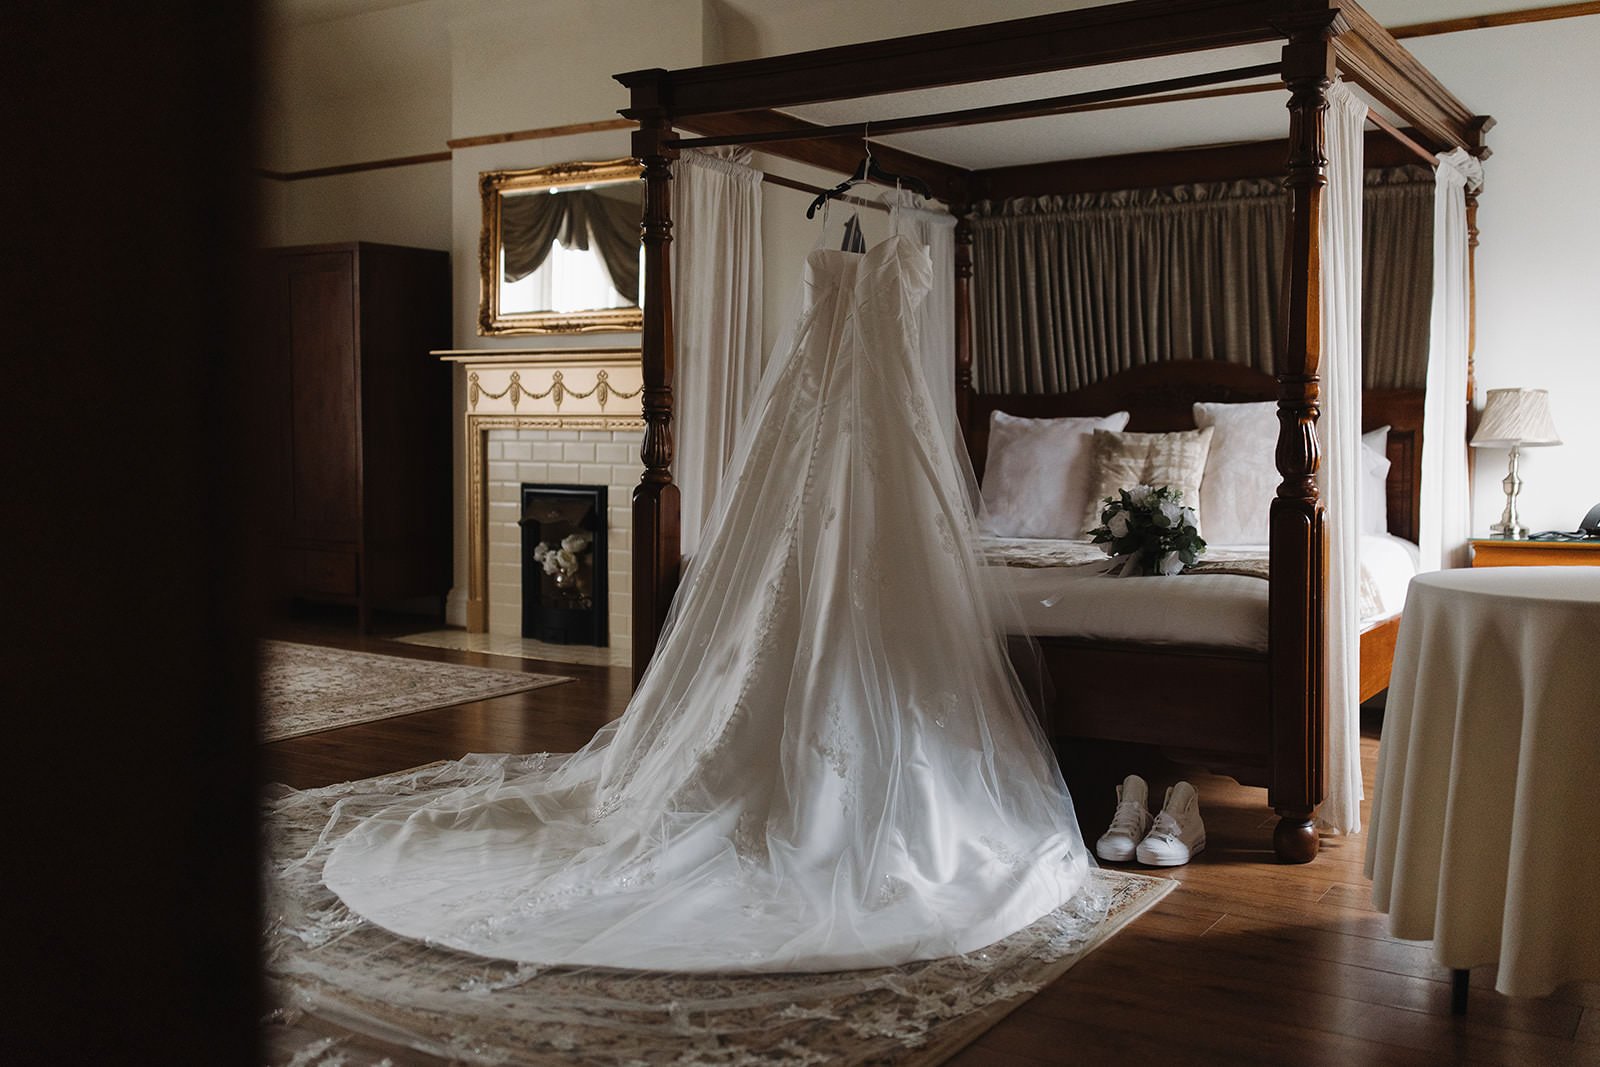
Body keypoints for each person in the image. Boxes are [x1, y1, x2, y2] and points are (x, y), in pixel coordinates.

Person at [323, 234, 1097, 972]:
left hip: (874, 443)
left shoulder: (876, 253)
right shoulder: (884, 258)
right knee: (797, 581)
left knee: (855, 577)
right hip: (821, 434)